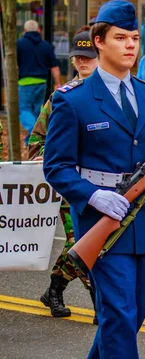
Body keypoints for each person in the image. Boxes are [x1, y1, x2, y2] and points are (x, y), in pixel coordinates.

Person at [43, 0, 145, 359]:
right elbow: (55, 166)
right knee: (118, 313)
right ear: (99, 42)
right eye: (121, 37)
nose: (131, 44)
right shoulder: (73, 100)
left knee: (130, 316)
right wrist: (93, 196)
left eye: (134, 37)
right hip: (101, 221)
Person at [29, 30, 100, 323]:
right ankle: (101, 300)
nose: (82, 61)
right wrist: (51, 155)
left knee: (92, 243)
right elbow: (37, 142)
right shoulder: (61, 97)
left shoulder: (115, 96)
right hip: (70, 187)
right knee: (84, 242)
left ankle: (54, 288)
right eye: (78, 56)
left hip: (106, 186)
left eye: (89, 57)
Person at [17, 20, 61, 143]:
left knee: (24, 109)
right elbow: (54, 65)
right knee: (37, 111)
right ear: (38, 30)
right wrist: (57, 82)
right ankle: (33, 141)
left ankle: (34, 131)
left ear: (24, 31)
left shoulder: (19, 44)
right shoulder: (45, 45)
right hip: (42, 82)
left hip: (25, 82)